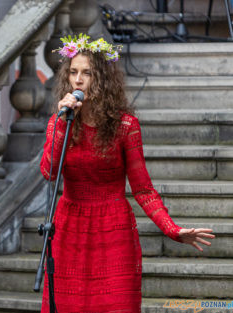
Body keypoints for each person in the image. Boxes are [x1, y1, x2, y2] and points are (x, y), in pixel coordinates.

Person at [40, 34, 215, 313]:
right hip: (70, 228)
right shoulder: (60, 121)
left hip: (113, 229)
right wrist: (62, 124)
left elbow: (143, 190)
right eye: (73, 72)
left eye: (87, 72)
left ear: (103, 78)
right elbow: (48, 172)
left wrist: (172, 229)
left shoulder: (125, 126)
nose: (78, 80)